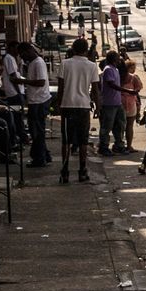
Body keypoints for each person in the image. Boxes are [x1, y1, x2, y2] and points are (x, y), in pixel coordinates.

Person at [55, 37, 100, 184]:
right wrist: (98, 107)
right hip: (83, 106)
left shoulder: (65, 64)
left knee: (66, 140)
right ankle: (82, 171)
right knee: (83, 141)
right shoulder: (92, 66)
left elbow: (60, 87)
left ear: (73, 49)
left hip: (67, 105)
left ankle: (65, 171)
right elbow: (95, 90)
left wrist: (58, 105)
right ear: (86, 50)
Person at [17, 42, 53, 167]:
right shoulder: (32, 63)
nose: (22, 57)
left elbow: (41, 82)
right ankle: (44, 155)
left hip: (39, 101)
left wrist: (22, 81)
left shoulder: (38, 62)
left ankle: (40, 158)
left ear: (28, 51)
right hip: (35, 100)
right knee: (36, 131)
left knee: (37, 131)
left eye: (23, 54)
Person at [97, 51, 128, 156]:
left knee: (120, 124)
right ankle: (103, 147)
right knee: (107, 126)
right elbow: (111, 84)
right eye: (117, 58)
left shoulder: (116, 69)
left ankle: (119, 145)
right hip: (109, 103)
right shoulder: (108, 69)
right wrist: (126, 90)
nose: (119, 60)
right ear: (113, 59)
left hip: (117, 102)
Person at [0, 43, 28, 145]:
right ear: (11, 48)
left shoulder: (11, 58)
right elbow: (13, 76)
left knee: (18, 116)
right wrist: (19, 91)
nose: (18, 51)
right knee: (18, 117)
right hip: (14, 92)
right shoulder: (9, 58)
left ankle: (20, 136)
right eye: (16, 49)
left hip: (14, 91)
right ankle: (21, 137)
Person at [121, 60, 144, 152]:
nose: (134, 69)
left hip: (120, 103)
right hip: (131, 103)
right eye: (132, 67)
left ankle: (120, 144)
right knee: (129, 126)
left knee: (121, 126)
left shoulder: (119, 76)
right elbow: (139, 88)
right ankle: (129, 146)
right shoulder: (133, 77)